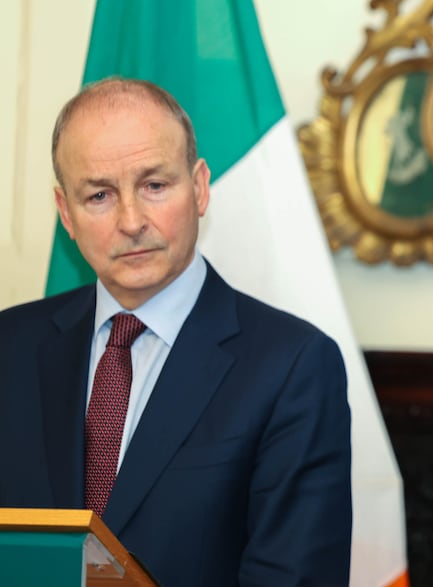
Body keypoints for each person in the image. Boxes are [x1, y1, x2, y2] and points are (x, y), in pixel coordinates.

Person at [0, 78, 352, 586]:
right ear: (66, 215)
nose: (131, 220)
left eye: (155, 186)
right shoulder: (11, 350)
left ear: (200, 187)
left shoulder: (292, 367)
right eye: (99, 195)